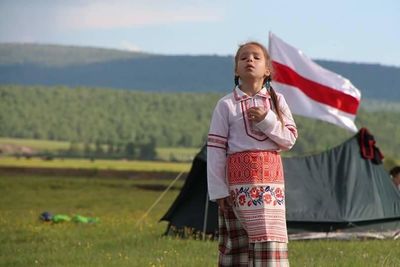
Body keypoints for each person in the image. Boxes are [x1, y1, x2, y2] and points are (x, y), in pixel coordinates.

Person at [207, 41, 297, 266]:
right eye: (244, 57)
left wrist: (267, 121)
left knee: (269, 242)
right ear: (236, 69)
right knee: (237, 247)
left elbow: (289, 140)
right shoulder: (226, 105)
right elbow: (216, 149)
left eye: (257, 57)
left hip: (271, 189)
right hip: (237, 188)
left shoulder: (277, 102)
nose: (250, 60)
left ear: (267, 70)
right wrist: (219, 190)